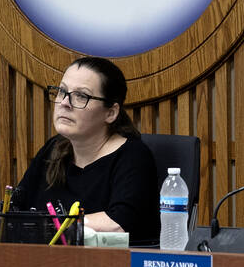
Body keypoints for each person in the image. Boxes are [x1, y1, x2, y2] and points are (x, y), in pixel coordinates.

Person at [8, 56, 159, 243]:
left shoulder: (134, 157)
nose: (64, 102)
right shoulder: (53, 149)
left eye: (81, 96)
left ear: (110, 113)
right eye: (62, 91)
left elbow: (119, 223)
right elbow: (14, 212)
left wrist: (47, 226)